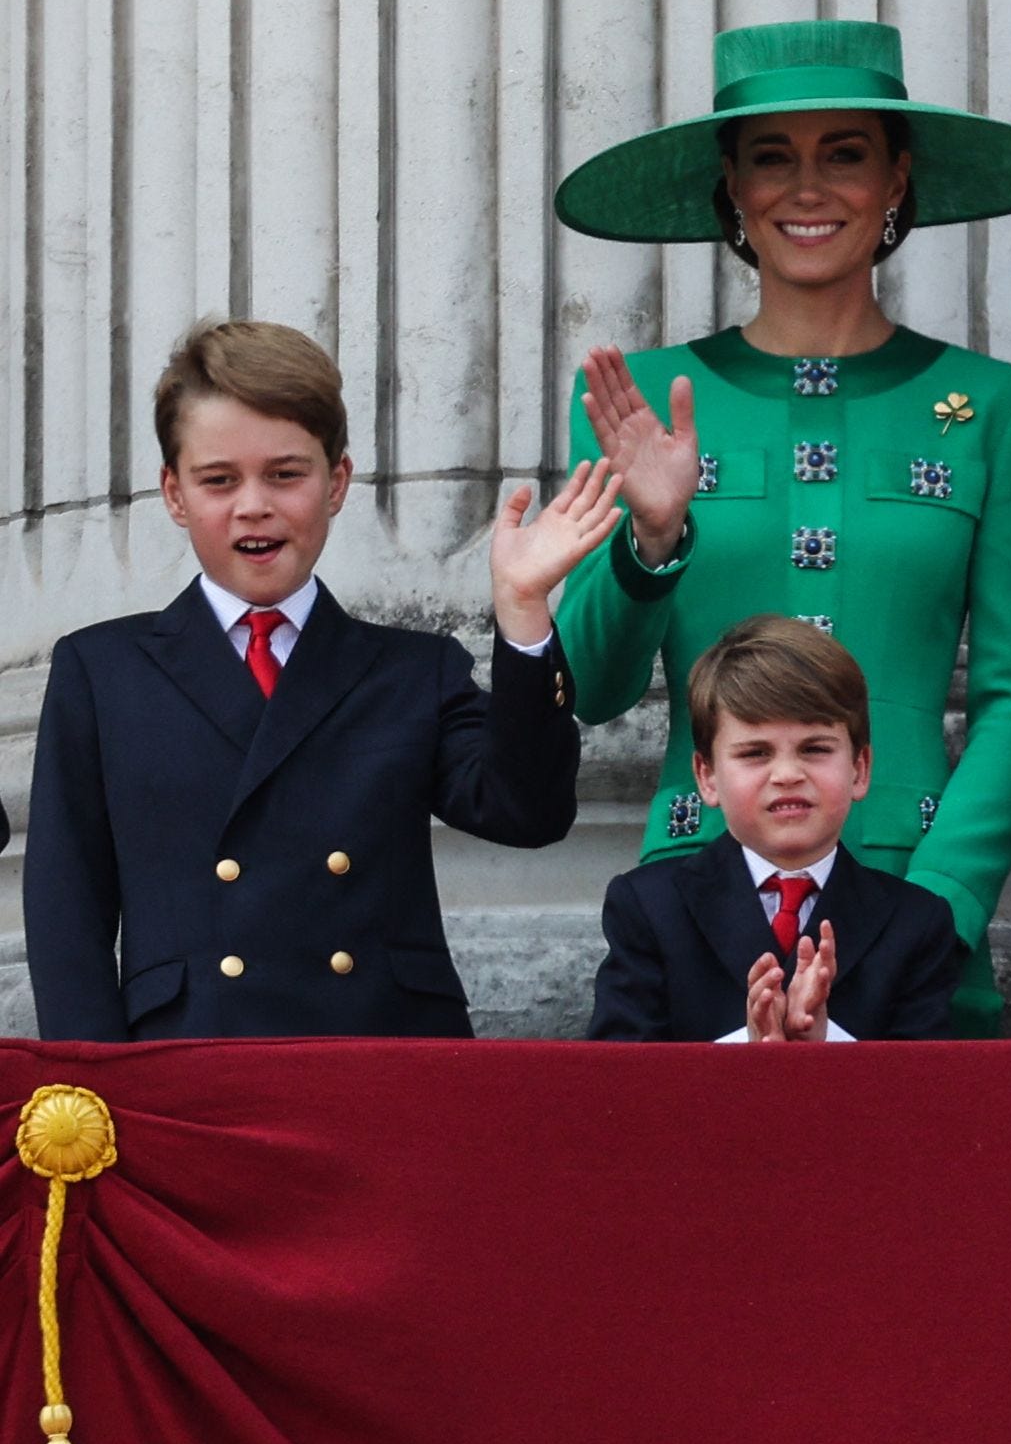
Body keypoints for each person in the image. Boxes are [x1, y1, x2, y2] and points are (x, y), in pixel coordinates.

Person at [553, 17, 1011, 1037]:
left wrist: (941, 906)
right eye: (771, 158)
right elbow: (594, 686)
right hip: (698, 906)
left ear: (896, 180)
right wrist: (648, 541)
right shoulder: (641, 396)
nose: (807, 186)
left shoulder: (997, 403)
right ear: (732, 187)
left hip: (917, 901)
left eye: (845, 153)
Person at [24, 322, 617, 1039]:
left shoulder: (412, 670)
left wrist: (522, 609)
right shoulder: (102, 669)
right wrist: (90, 1097)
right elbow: (67, 907)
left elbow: (527, 812)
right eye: (218, 480)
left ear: (336, 483)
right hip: (189, 1062)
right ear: (174, 494)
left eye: (285, 474)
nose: (253, 505)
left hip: (381, 1059)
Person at [588, 617, 967, 1042]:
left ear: (860, 769)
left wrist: (824, 1046)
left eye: (815, 749)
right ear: (707, 776)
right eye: (755, 753)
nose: (787, 773)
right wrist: (749, 1050)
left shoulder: (916, 922)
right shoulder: (649, 907)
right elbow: (617, 1082)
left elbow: (924, 1091)